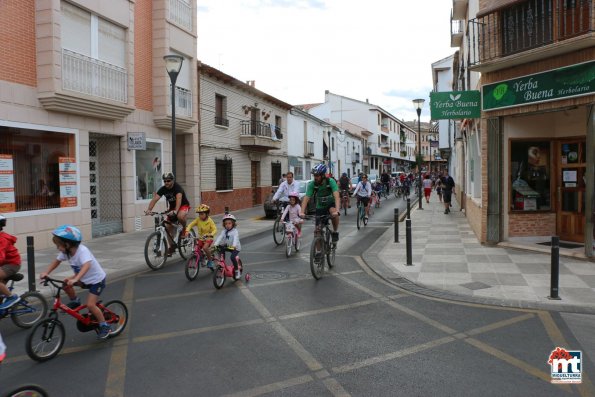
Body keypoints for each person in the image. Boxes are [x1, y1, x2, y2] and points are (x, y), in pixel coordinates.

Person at [40, 225, 111, 339]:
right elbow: (56, 261)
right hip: (83, 279)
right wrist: (46, 272)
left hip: (96, 280)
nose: (58, 248)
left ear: (67, 244)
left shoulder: (82, 251)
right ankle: (75, 301)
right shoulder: (66, 252)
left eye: (58, 245)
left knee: (90, 305)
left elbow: (86, 265)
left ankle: (104, 325)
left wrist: (76, 279)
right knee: (65, 283)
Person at [145, 172, 191, 254]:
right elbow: (155, 199)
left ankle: (184, 229)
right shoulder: (163, 189)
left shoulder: (177, 188)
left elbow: (179, 199)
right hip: (172, 208)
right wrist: (149, 209)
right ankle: (172, 246)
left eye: (168, 181)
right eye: (165, 181)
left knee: (180, 216)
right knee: (168, 227)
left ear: (173, 180)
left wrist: (176, 211)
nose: (166, 182)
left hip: (183, 205)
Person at [300, 163, 340, 242]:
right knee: (317, 231)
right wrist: (302, 212)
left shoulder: (330, 181)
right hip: (320, 206)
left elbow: (336, 196)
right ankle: (318, 252)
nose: (315, 178)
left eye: (317, 175)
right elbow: (306, 198)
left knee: (333, 212)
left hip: (330, 204)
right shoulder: (312, 184)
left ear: (323, 175)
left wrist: (337, 210)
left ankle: (335, 231)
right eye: (314, 176)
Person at [185, 204, 217, 269]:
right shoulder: (198, 220)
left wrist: (210, 234)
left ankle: (210, 261)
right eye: (199, 214)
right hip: (201, 238)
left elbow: (215, 229)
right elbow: (190, 225)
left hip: (208, 238)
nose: (200, 216)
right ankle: (202, 259)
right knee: (196, 248)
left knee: (205, 248)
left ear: (207, 214)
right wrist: (187, 231)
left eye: (202, 214)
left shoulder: (210, 221)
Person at [0, 214, 22, 309]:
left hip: (12, 264)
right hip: (4, 264)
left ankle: (12, 297)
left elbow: (1, 256)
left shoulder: (2, 239)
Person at [213, 213, 242, 279]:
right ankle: (222, 262)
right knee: (221, 249)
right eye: (226, 224)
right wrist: (215, 244)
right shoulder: (224, 231)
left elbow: (235, 239)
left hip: (236, 248)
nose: (227, 225)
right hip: (228, 246)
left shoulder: (235, 231)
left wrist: (234, 246)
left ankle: (237, 271)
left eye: (229, 223)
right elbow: (220, 237)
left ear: (233, 224)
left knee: (232, 257)